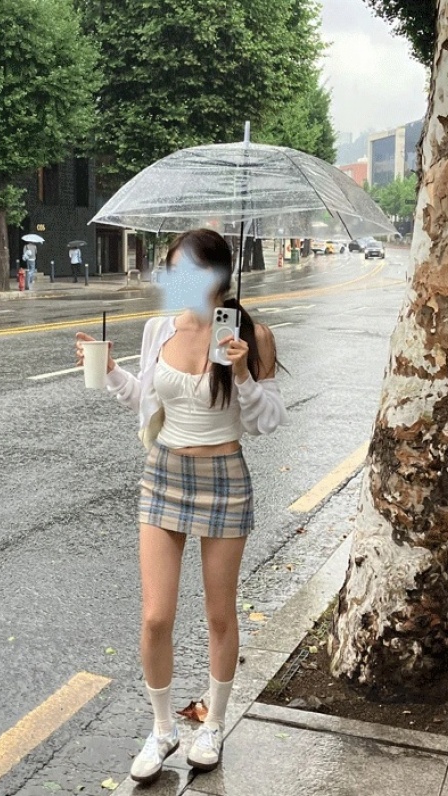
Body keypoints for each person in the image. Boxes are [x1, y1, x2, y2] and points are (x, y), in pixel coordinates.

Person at [75, 228, 288, 785]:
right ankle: (163, 727)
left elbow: (267, 421)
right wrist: (110, 370)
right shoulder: (159, 329)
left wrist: (242, 373)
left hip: (224, 479)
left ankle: (212, 724)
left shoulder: (250, 334)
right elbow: (144, 400)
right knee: (155, 617)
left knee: (219, 615)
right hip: (164, 474)